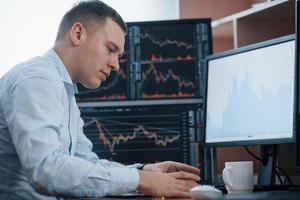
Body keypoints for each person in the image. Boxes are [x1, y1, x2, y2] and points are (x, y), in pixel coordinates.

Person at [0, 1, 200, 199]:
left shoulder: (63, 89)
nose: (116, 65)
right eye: (110, 49)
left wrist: (145, 172)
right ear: (78, 34)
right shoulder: (36, 80)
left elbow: (85, 162)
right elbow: (47, 171)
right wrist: (141, 180)